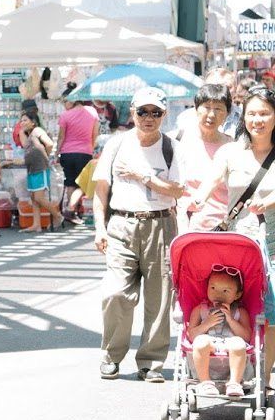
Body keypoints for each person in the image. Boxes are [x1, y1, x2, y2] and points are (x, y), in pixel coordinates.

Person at [92, 86, 184, 382]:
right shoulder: (117, 144)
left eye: (155, 112)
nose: (148, 118)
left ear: (163, 115)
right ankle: (111, 355)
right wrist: (99, 228)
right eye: (143, 111)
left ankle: (151, 362)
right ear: (132, 112)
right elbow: (100, 191)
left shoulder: (172, 147)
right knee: (116, 292)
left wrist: (144, 177)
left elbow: (178, 190)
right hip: (121, 224)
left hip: (161, 224)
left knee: (159, 298)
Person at [187, 85, 275, 391]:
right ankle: (252, 376)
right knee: (252, 308)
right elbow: (210, 182)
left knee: (273, 314)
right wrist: (196, 201)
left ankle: (265, 377)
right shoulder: (230, 152)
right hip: (240, 248)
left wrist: (271, 201)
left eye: (265, 113)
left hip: (272, 244)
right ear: (243, 117)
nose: (258, 120)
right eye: (252, 113)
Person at [185, 267, 252, 399]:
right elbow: (191, 335)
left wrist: (231, 320)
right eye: (213, 288)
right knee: (200, 342)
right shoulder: (200, 309)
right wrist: (207, 323)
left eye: (225, 291)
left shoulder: (240, 312)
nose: (218, 294)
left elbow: (247, 337)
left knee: (238, 344)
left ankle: (234, 383)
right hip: (209, 342)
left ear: (237, 295)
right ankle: (205, 382)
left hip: (230, 342)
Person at [175, 83, 232, 230]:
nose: (211, 115)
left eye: (218, 109)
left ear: (227, 113)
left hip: (225, 227)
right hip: (187, 227)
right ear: (196, 108)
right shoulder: (178, 141)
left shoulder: (233, 147)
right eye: (206, 107)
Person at [56, 96, 99, 224]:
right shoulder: (92, 112)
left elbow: (61, 137)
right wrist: (91, 147)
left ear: (71, 101)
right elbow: (95, 133)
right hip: (85, 152)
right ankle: (71, 209)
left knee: (70, 182)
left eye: (65, 101)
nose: (64, 104)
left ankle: (72, 211)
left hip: (67, 153)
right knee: (83, 183)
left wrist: (57, 153)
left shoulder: (65, 115)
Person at [19, 111, 64, 232]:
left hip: (40, 168)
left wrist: (45, 156)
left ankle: (58, 216)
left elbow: (49, 143)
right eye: (21, 120)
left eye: (25, 120)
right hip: (32, 169)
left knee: (39, 198)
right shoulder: (29, 135)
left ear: (33, 122)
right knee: (34, 197)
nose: (22, 123)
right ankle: (36, 224)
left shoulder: (37, 131)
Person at [175, 68, 235, 137]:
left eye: (228, 87)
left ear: (236, 88)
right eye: (213, 87)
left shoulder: (244, 116)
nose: (221, 92)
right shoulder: (185, 118)